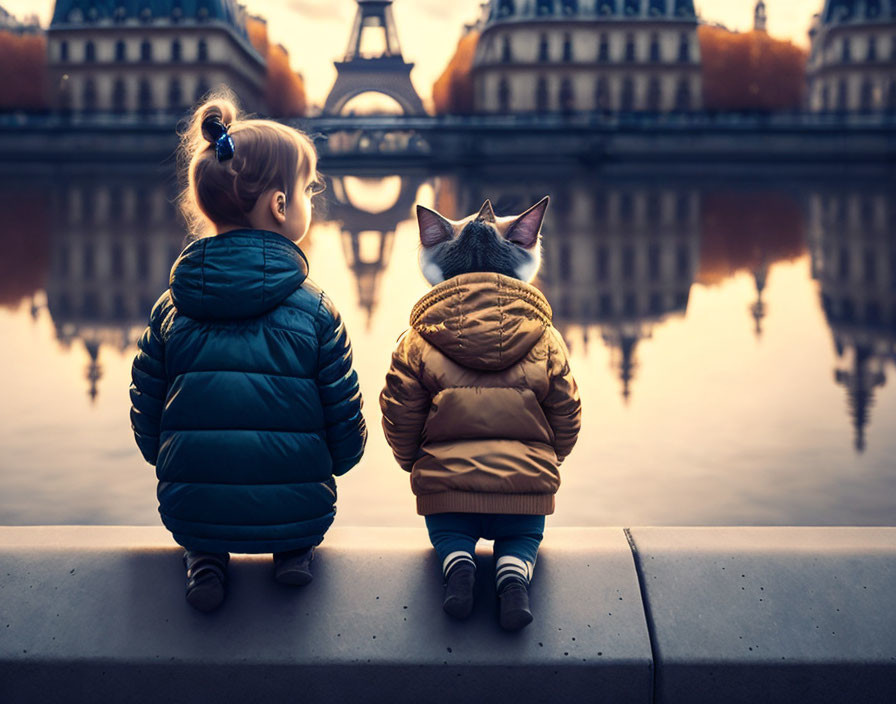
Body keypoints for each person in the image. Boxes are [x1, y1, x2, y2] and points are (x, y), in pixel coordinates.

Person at [129, 90, 366, 612]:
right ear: (280, 207)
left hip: (192, 502)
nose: (312, 198)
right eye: (308, 189)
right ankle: (293, 552)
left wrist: (164, 457)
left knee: (202, 518)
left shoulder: (171, 307)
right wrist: (340, 460)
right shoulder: (317, 311)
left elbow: (146, 406)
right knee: (297, 504)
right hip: (299, 501)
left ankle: (206, 559)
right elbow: (343, 418)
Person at [380, 198, 582, 630]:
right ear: (527, 250)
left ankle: (457, 565)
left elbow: (399, 414)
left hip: (447, 487)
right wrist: (550, 458)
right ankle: (513, 574)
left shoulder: (416, 340)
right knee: (524, 535)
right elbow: (567, 412)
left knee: (448, 530)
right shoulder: (545, 337)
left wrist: (414, 462)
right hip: (525, 489)